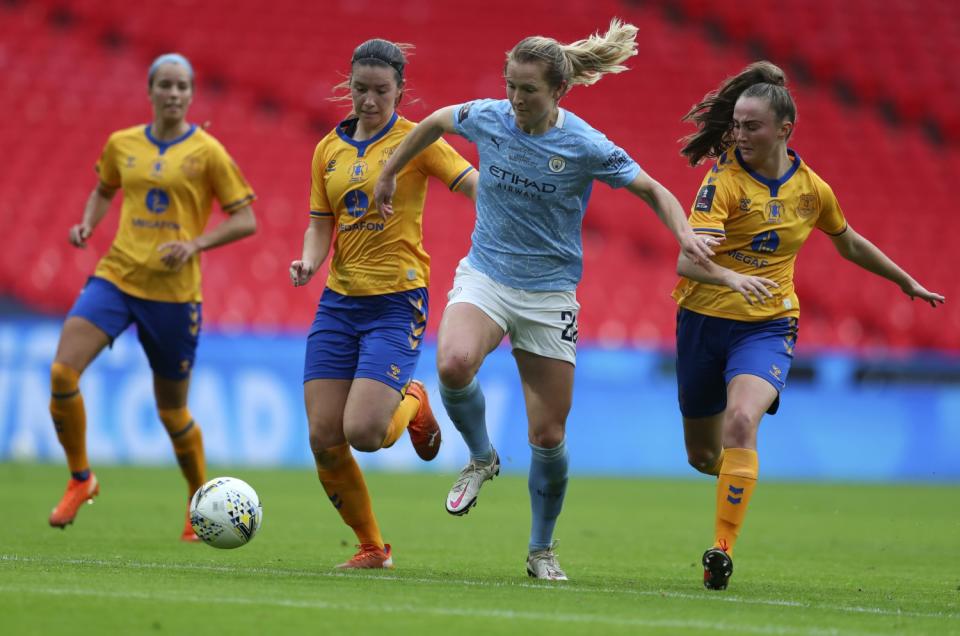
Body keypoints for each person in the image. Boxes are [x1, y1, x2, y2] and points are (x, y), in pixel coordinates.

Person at [374, 19, 715, 580]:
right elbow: (434, 120)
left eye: (527, 89)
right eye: (510, 84)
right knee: (454, 362)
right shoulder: (489, 117)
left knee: (548, 436)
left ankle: (541, 550)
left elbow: (652, 188)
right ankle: (482, 457)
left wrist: (683, 234)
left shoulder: (583, 143)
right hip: (486, 274)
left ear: (557, 92)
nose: (514, 98)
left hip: (549, 295)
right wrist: (389, 171)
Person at [673, 61, 945, 590]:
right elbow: (686, 261)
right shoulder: (721, 183)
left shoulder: (810, 189)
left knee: (741, 423)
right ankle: (739, 477)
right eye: (737, 125)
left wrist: (904, 281)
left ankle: (721, 550)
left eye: (752, 126)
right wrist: (730, 278)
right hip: (704, 321)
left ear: (784, 130)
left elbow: (848, 241)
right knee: (705, 455)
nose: (740, 135)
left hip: (768, 326)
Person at [48, 53, 258, 540]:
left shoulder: (207, 152)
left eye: (182, 86)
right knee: (62, 372)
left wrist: (195, 244)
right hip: (117, 278)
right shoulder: (123, 143)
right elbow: (104, 189)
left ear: (191, 93)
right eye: (165, 85)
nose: (173, 94)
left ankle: (196, 498)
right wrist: (87, 224)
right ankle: (81, 478)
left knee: (171, 411)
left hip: (175, 295)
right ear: (150, 90)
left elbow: (246, 218)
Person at [289, 38, 478, 569]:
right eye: (360, 90)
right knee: (324, 437)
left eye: (381, 91)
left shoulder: (416, 140)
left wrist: (512, 217)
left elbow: (472, 184)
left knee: (366, 433)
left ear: (400, 90)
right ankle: (373, 547)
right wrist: (309, 261)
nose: (369, 100)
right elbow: (319, 224)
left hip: (396, 302)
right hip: (338, 304)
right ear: (348, 86)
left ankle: (413, 398)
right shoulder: (328, 148)